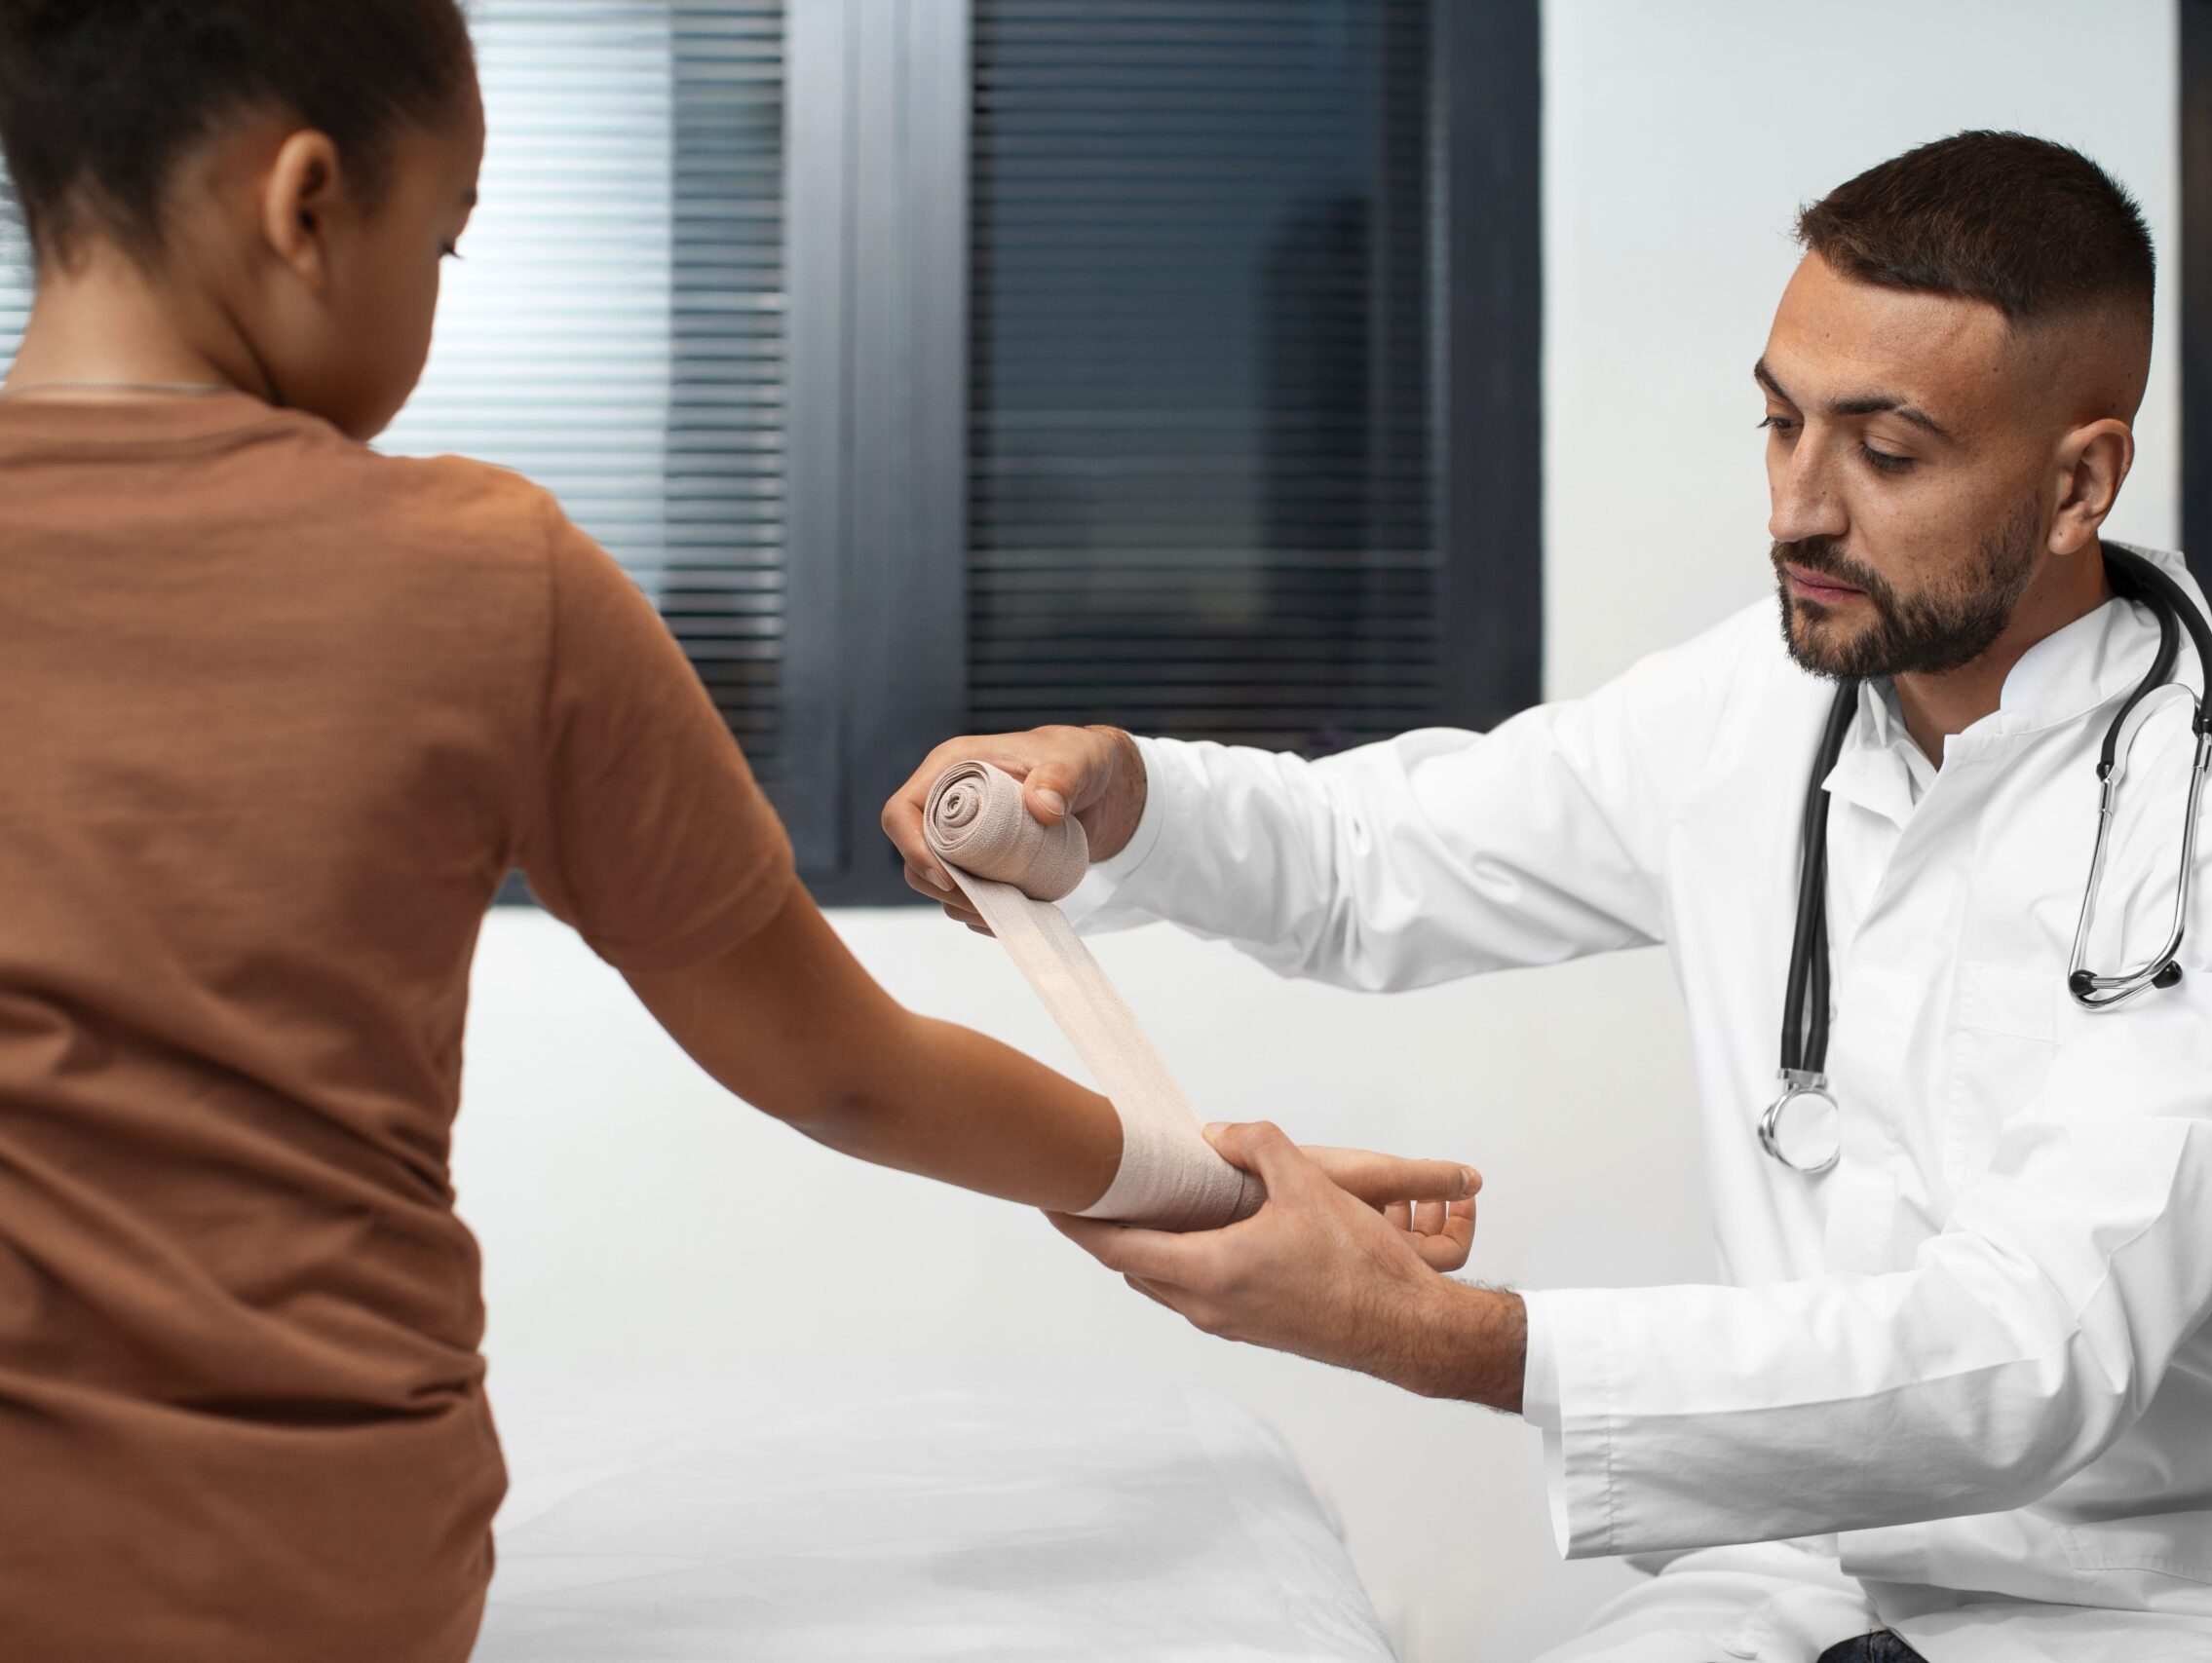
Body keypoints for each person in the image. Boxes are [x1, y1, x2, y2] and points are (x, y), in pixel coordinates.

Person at [0, 4, 1478, 1660]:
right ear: (307, 204)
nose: (437, 289)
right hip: (319, 1574)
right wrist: (1206, 1183)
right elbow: (843, 1067)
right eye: (444, 240)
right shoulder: (488, 577)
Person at [889, 132, 2212, 1663]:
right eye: (1779, 423)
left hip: (2171, 1596)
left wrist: (1437, 1336)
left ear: (2079, 482)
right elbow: (1377, 857)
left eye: (1886, 453)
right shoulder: (1761, 703)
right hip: (1809, 1571)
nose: (1797, 508)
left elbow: (2031, 1352)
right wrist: (1120, 799)